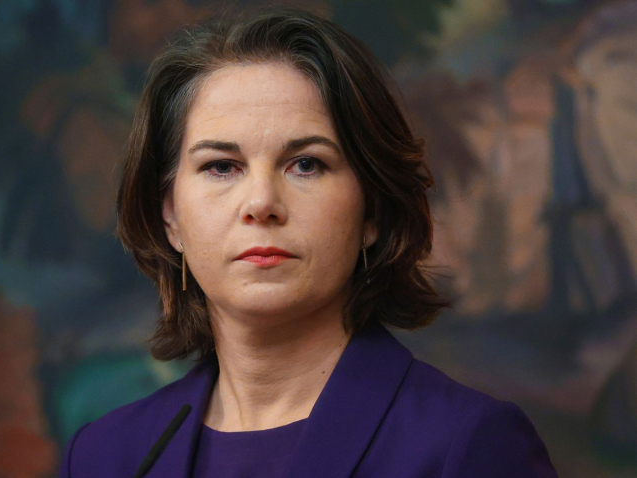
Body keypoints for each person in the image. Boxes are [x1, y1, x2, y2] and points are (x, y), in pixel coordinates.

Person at [59, 6, 558, 477]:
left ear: (371, 210)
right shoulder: (103, 456)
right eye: (221, 167)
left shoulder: (469, 444)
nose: (261, 203)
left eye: (306, 164)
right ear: (171, 217)